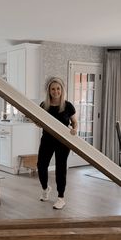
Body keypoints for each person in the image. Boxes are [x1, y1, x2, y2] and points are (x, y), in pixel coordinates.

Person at [37, 77, 78, 210]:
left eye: (58, 88)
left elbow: (74, 122)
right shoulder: (44, 105)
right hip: (47, 140)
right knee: (41, 165)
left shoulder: (68, 106)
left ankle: (61, 198)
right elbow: (39, 123)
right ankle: (45, 188)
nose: (56, 91)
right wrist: (35, 121)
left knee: (61, 168)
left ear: (62, 90)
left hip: (63, 141)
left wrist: (74, 129)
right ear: (49, 91)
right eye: (53, 89)